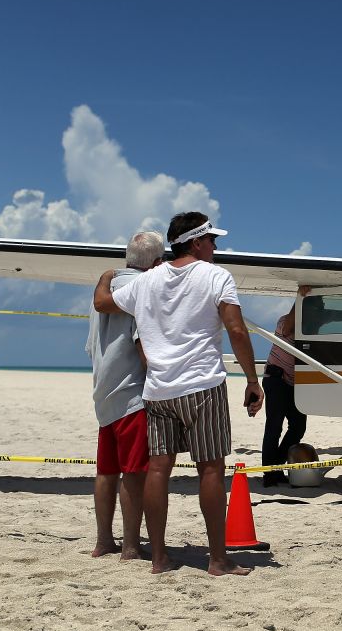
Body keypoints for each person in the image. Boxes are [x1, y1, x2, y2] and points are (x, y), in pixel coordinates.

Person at [94, 212, 264, 576]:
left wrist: (105, 276)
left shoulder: (147, 280)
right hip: (203, 386)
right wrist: (252, 379)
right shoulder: (216, 275)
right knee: (211, 470)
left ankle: (158, 558)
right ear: (196, 241)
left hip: (158, 390)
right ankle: (217, 560)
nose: (216, 246)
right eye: (212, 240)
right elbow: (235, 329)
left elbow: (103, 304)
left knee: (158, 470)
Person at [85, 231, 164, 560]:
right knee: (134, 473)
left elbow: (93, 345)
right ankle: (131, 545)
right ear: (156, 263)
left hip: (104, 392)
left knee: (106, 471)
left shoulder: (105, 288)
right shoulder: (140, 290)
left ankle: (104, 540)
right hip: (132, 393)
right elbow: (141, 344)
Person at [260, 286, 310, 487]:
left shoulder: (309, 330)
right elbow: (289, 326)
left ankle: (276, 465)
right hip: (276, 379)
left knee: (298, 425)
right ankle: (269, 473)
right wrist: (300, 297)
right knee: (274, 426)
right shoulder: (284, 322)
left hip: (294, 383)